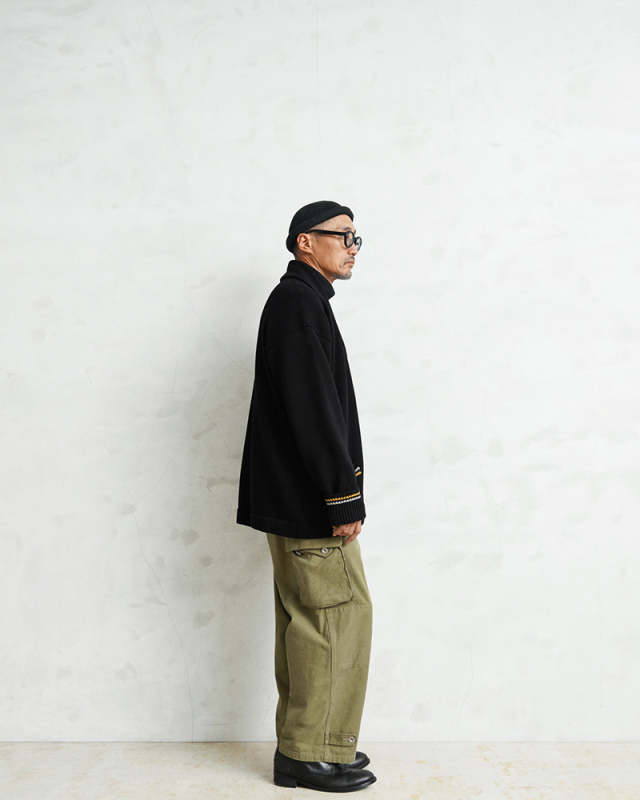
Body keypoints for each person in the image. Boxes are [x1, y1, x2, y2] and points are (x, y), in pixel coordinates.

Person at [236, 201, 375, 792]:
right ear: (304, 243)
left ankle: (311, 747)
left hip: (296, 498)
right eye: (342, 236)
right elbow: (313, 410)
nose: (352, 247)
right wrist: (342, 496)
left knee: (310, 621)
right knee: (334, 620)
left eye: (356, 237)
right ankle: (310, 752)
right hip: (311, 502)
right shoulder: (298, 305)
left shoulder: (301, 303)